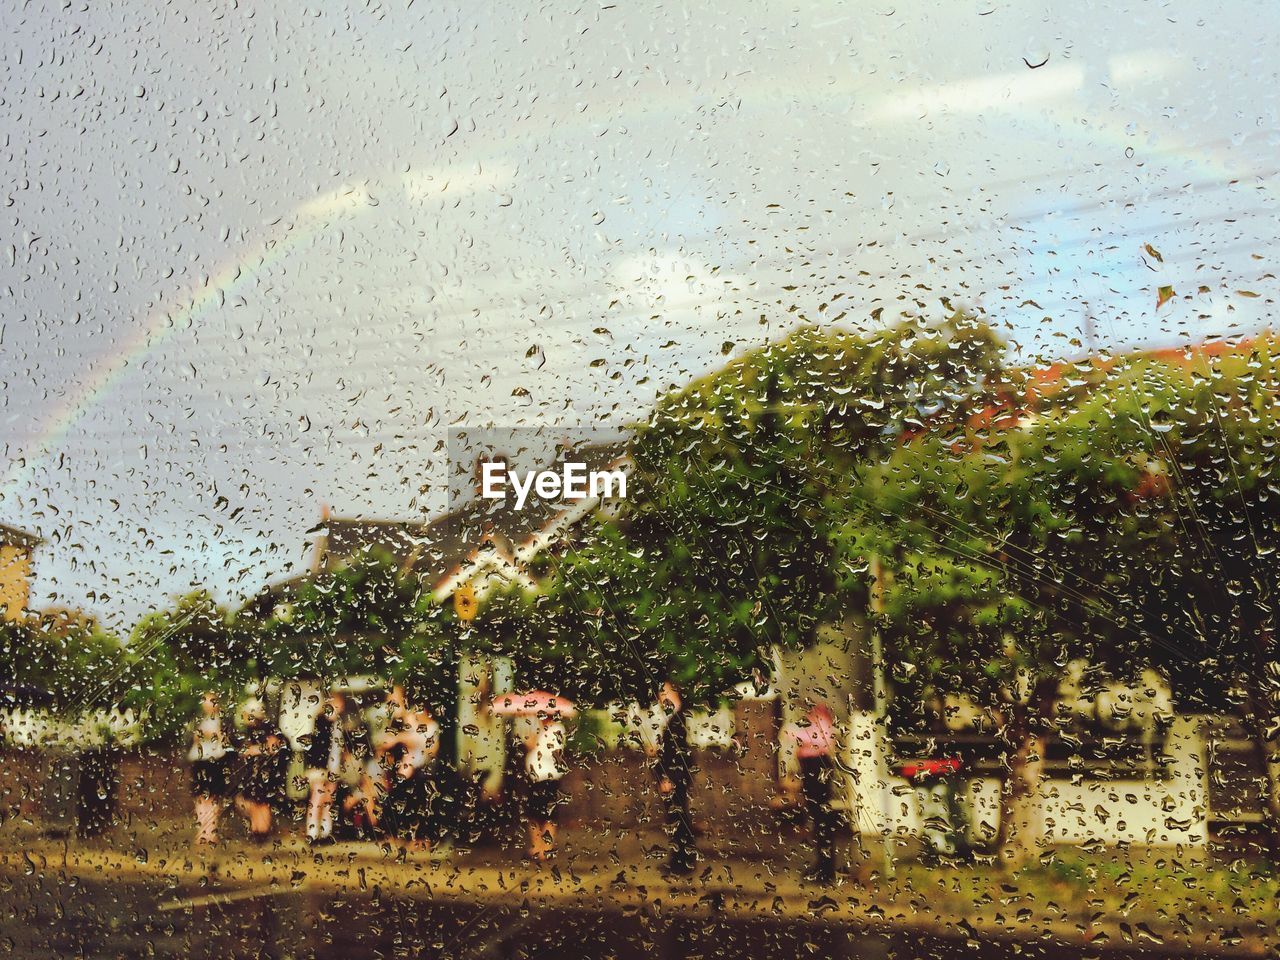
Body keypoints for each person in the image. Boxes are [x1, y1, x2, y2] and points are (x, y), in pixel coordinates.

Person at [785, 702, 839, 884]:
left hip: (817, 768)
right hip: (811, 769)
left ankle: (826, 869)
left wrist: (798, 734)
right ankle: (822, 865)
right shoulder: (813, 720)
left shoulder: (822, 720)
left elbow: (818, 738)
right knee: (818, 819)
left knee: (822, 819)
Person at [378, 704, 442, 851]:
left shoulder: (432, 727)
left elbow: (432, 749)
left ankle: (421, 838)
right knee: (400, 799)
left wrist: (408, 739)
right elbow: (391, 740)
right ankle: (399, 835)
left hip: (424, 772)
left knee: (422, 804)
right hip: (408, 770)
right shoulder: (411, 725)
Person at [651, 680, 696, 876]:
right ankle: (679, 860)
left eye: (665, 693)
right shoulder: (674, 718)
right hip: (675, 776)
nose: (661, 698)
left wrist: (668, 777)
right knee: (676, 818)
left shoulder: (676, 720)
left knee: (678, 819)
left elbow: (678, 754)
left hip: (674, 777)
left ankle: (682, 863)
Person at [233, 697, 288, 843]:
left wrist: (253, 750)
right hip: (255, 772)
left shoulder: (266, 728)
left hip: (266, 772)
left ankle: (261, 832)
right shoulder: (250, 730)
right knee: (254, 802)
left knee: (262, 803)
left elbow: (273, 747)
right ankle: (256, 830)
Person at [303, 690, 350, 845]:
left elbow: (339, 748)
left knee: (328, 799)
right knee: (317, 798)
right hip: (320, 767)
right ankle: (312, 833)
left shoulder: (338, 724)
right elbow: (318, 748)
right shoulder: (321, 722)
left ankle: (325, 832)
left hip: (333, 767)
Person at [523, 712, 568, 863]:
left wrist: (535, 744)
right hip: (535, 777)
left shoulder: (557, 729)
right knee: (533, 814)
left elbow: (554, 752)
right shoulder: (537, 729)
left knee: (549, 814)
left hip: (549, 777)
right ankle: (537, 846)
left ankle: (547, 848)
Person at [188, 692, 231, 845]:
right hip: (200, 760)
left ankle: (211, 831)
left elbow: (221, 737)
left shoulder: (222, 720)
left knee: (212, 797)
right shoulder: (201, 720)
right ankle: (202, 832)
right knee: (200, 797)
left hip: (214, 761)